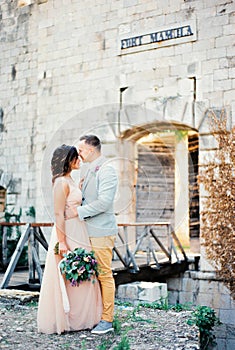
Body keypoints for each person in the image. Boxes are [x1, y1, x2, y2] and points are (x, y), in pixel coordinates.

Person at [37, 144, 102, 335]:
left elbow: (73, 203)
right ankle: (68, 318)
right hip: (67, 231)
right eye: (75, 158)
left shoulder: (71, 180)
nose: (79, 161)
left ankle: (84, 316)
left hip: (79, 229)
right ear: (68, 160)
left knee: (84, 270)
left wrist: (79, 189)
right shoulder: (60, 183)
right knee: (70, 272)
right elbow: (58, 214)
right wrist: (63, 242)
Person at [65, 135, 118, 335]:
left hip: (101, 231)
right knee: (93, 274)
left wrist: (76, 212)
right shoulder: (88, 170)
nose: (77, 154)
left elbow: (105, 203)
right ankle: (95, 314)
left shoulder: (107, 170)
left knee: (104, 274)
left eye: (80, 150)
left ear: (90, 150)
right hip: (88, 231)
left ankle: (107, 320)